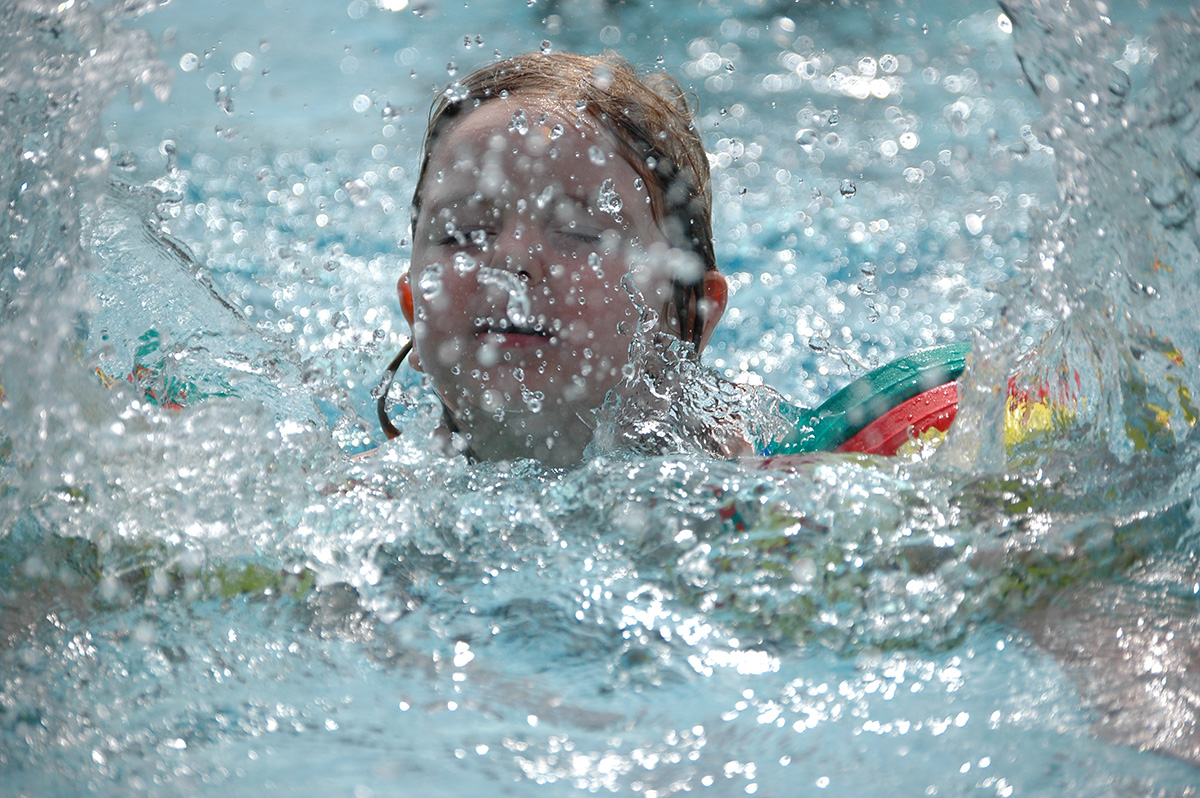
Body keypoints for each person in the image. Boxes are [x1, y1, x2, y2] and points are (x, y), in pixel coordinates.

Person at [379, 51, 734, 467]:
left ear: (689, 315)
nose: (510, 260)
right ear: (414, 308)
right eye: (465, 233)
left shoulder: (772, 487)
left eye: (580, 233)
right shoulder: (351, 503)